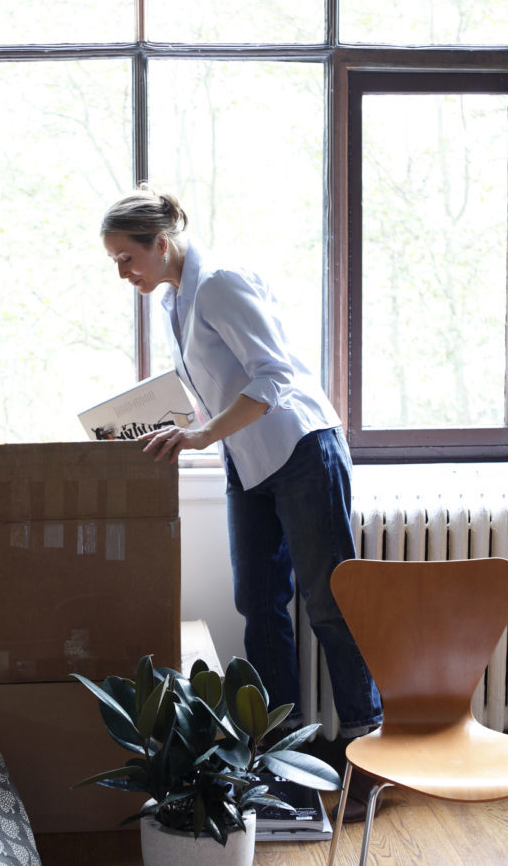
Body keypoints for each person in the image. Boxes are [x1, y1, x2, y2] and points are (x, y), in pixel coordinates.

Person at [100, 185, 383, 766]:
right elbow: (217, 386)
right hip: (248, 460)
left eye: (127, 257)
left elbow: (274, 376)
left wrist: (203, 434)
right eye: (115, 263)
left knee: (329, 603)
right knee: (257, 601)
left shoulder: (221, 282)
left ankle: (369, 751)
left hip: (301, 449)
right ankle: (279, 753)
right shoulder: (172, 301)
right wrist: (147, 425)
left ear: (160, 241)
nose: (122, 272)